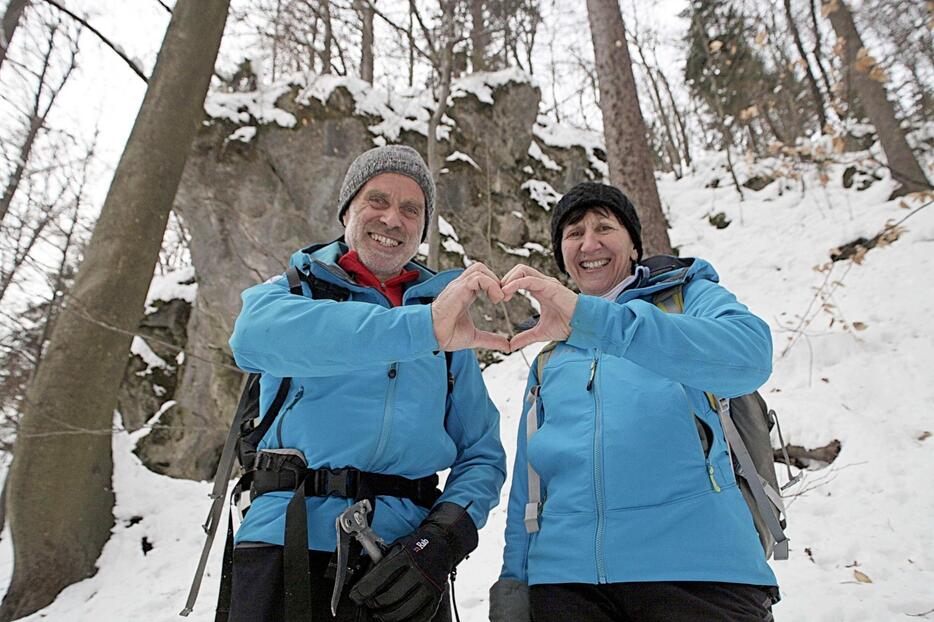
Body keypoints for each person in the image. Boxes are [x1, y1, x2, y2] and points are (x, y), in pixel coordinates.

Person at [226, 145, 508, 622]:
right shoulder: (294, 293)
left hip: (405, 564)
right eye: (377, 201)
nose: (393, 219)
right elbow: (249, 339)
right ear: (347, 211)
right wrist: (423, 329)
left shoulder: (446, 324)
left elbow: (481, 454)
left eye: (411, 209)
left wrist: (439, 541)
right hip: (286, 547)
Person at [489, 181, 779, 621]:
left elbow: (750, 356)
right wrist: (513, 581)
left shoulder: (687, 299)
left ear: (634, 245)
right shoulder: (549, 357)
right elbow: (530, 488)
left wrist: (596, 320)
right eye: (573, 233)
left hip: (700, 571)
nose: (589, 243)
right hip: (566, 584)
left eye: (604, 227)